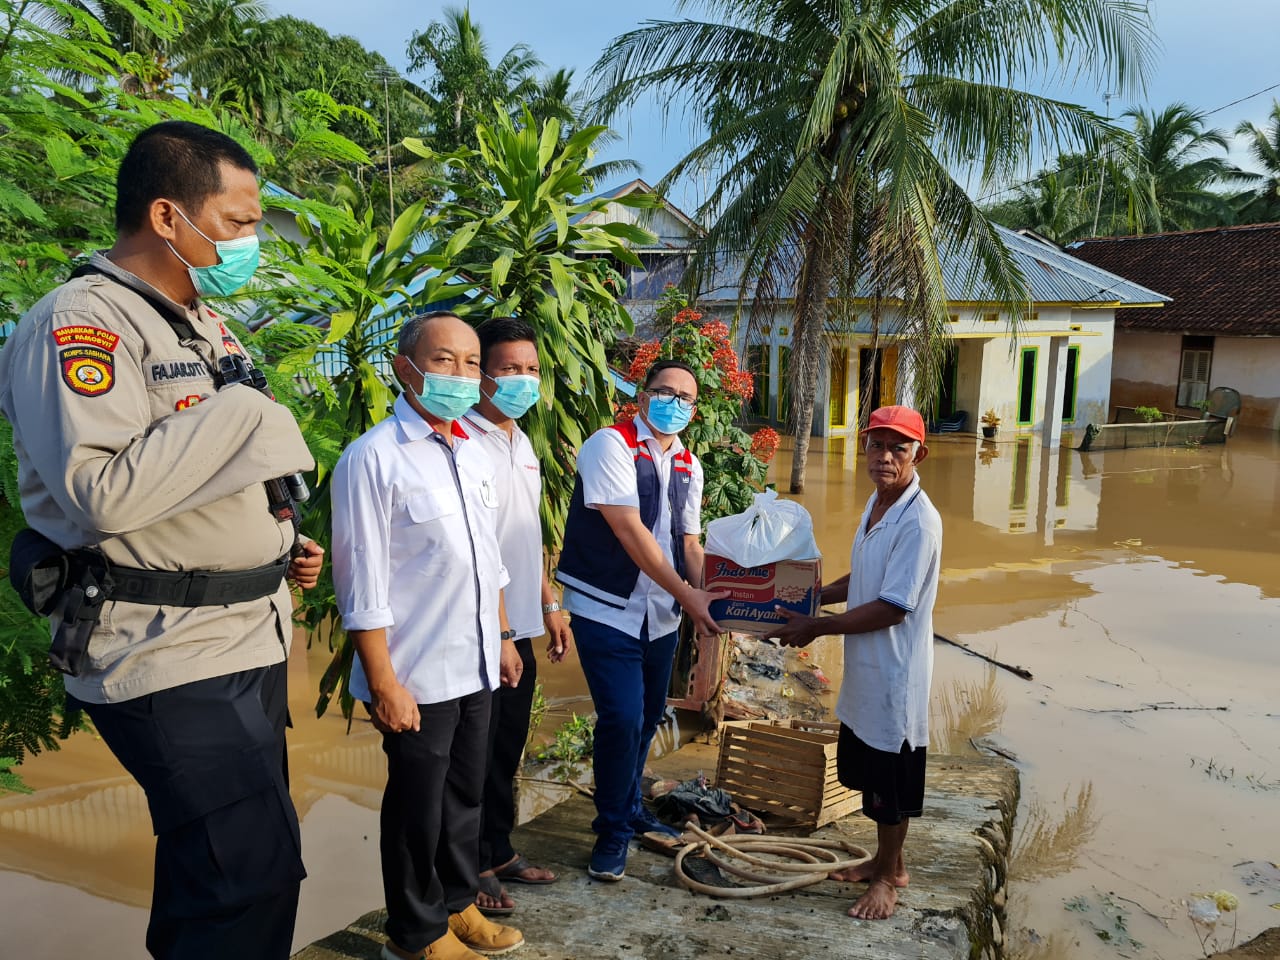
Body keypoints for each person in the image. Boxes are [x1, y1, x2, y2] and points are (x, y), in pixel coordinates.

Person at [0, 120, 325, 959]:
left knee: (221, 874)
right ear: (168, 217)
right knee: (244, 879)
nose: (253, 240)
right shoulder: (81, 324)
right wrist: (248, 417)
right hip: (163, 647)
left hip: (245, 635)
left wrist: (278, 534)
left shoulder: (203, 322)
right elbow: (98, 494)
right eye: (239, 220)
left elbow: (209, 476)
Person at [331, 312, 526, 960]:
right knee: (418, 808)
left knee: (465, 796)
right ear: (405, 368)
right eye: (446, 361)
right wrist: (383, 683)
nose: (462, 375)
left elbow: (487, 558)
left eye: (472, 363)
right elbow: (362, 584)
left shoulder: (472, 453)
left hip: (473, 663)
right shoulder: (373, 458)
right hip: (415, 671)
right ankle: (414, 937)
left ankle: (457, 903)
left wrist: (501, 636)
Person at [555, 358, 727, 882]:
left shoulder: (689, 465)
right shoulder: (609, 445)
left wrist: (711, 600)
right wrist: (691, 598)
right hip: (605, 607)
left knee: (649, 715)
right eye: (663, 391)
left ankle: (628, 807)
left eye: (684, 398)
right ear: (641, 393)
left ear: (695, 411)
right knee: (623, 717)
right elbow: (630, 532)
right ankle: (611, 830)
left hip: (660, 613)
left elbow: (688, 543)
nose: (673, 403)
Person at [773, 404, 943, 921]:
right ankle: (883, 860)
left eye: (899, 447)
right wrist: (817, 596)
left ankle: (890, 879)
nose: (885, 456)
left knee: (892, 783)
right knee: (871, 776)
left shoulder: (920, 521)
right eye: (877, 445)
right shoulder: (878, 503)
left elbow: (893, 606)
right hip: (867, 669)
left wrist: (815, 625)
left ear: (919, 454)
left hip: (896, 671)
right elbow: (866, 577)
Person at [459, 318, 573, 915]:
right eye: (510, 369)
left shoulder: (520, 442)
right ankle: (471, 863)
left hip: (519, 625)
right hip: (481, 629)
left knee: (508, 745)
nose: (524, 380)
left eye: (531, 369)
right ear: (480, 374)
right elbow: (479, 551)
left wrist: (549, 604)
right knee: (474, 753)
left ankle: (498, 848)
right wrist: (503, 632)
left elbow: (524, 538)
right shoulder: (463, 442)